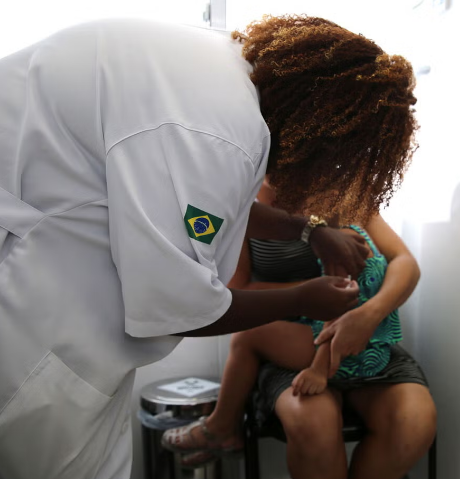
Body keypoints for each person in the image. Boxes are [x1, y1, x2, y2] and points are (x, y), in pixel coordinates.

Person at [0, 14, 419, 479]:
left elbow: (215, 205)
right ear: (326, 131)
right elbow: (183, 306)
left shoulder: (222, 81)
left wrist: (308, 231)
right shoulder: (218, 134)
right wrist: (302, 298)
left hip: (55, 273)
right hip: (33, 312)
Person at [161, 178, 437, 479]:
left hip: (364, 338)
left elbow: (404, 261)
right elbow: (237, 291)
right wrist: (309, 294)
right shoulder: (242, 202)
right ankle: (222, 426)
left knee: (414, 422)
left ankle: (220, 426)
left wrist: (369, 315)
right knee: (313, 423)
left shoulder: (346, 190)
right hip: (291, 343)